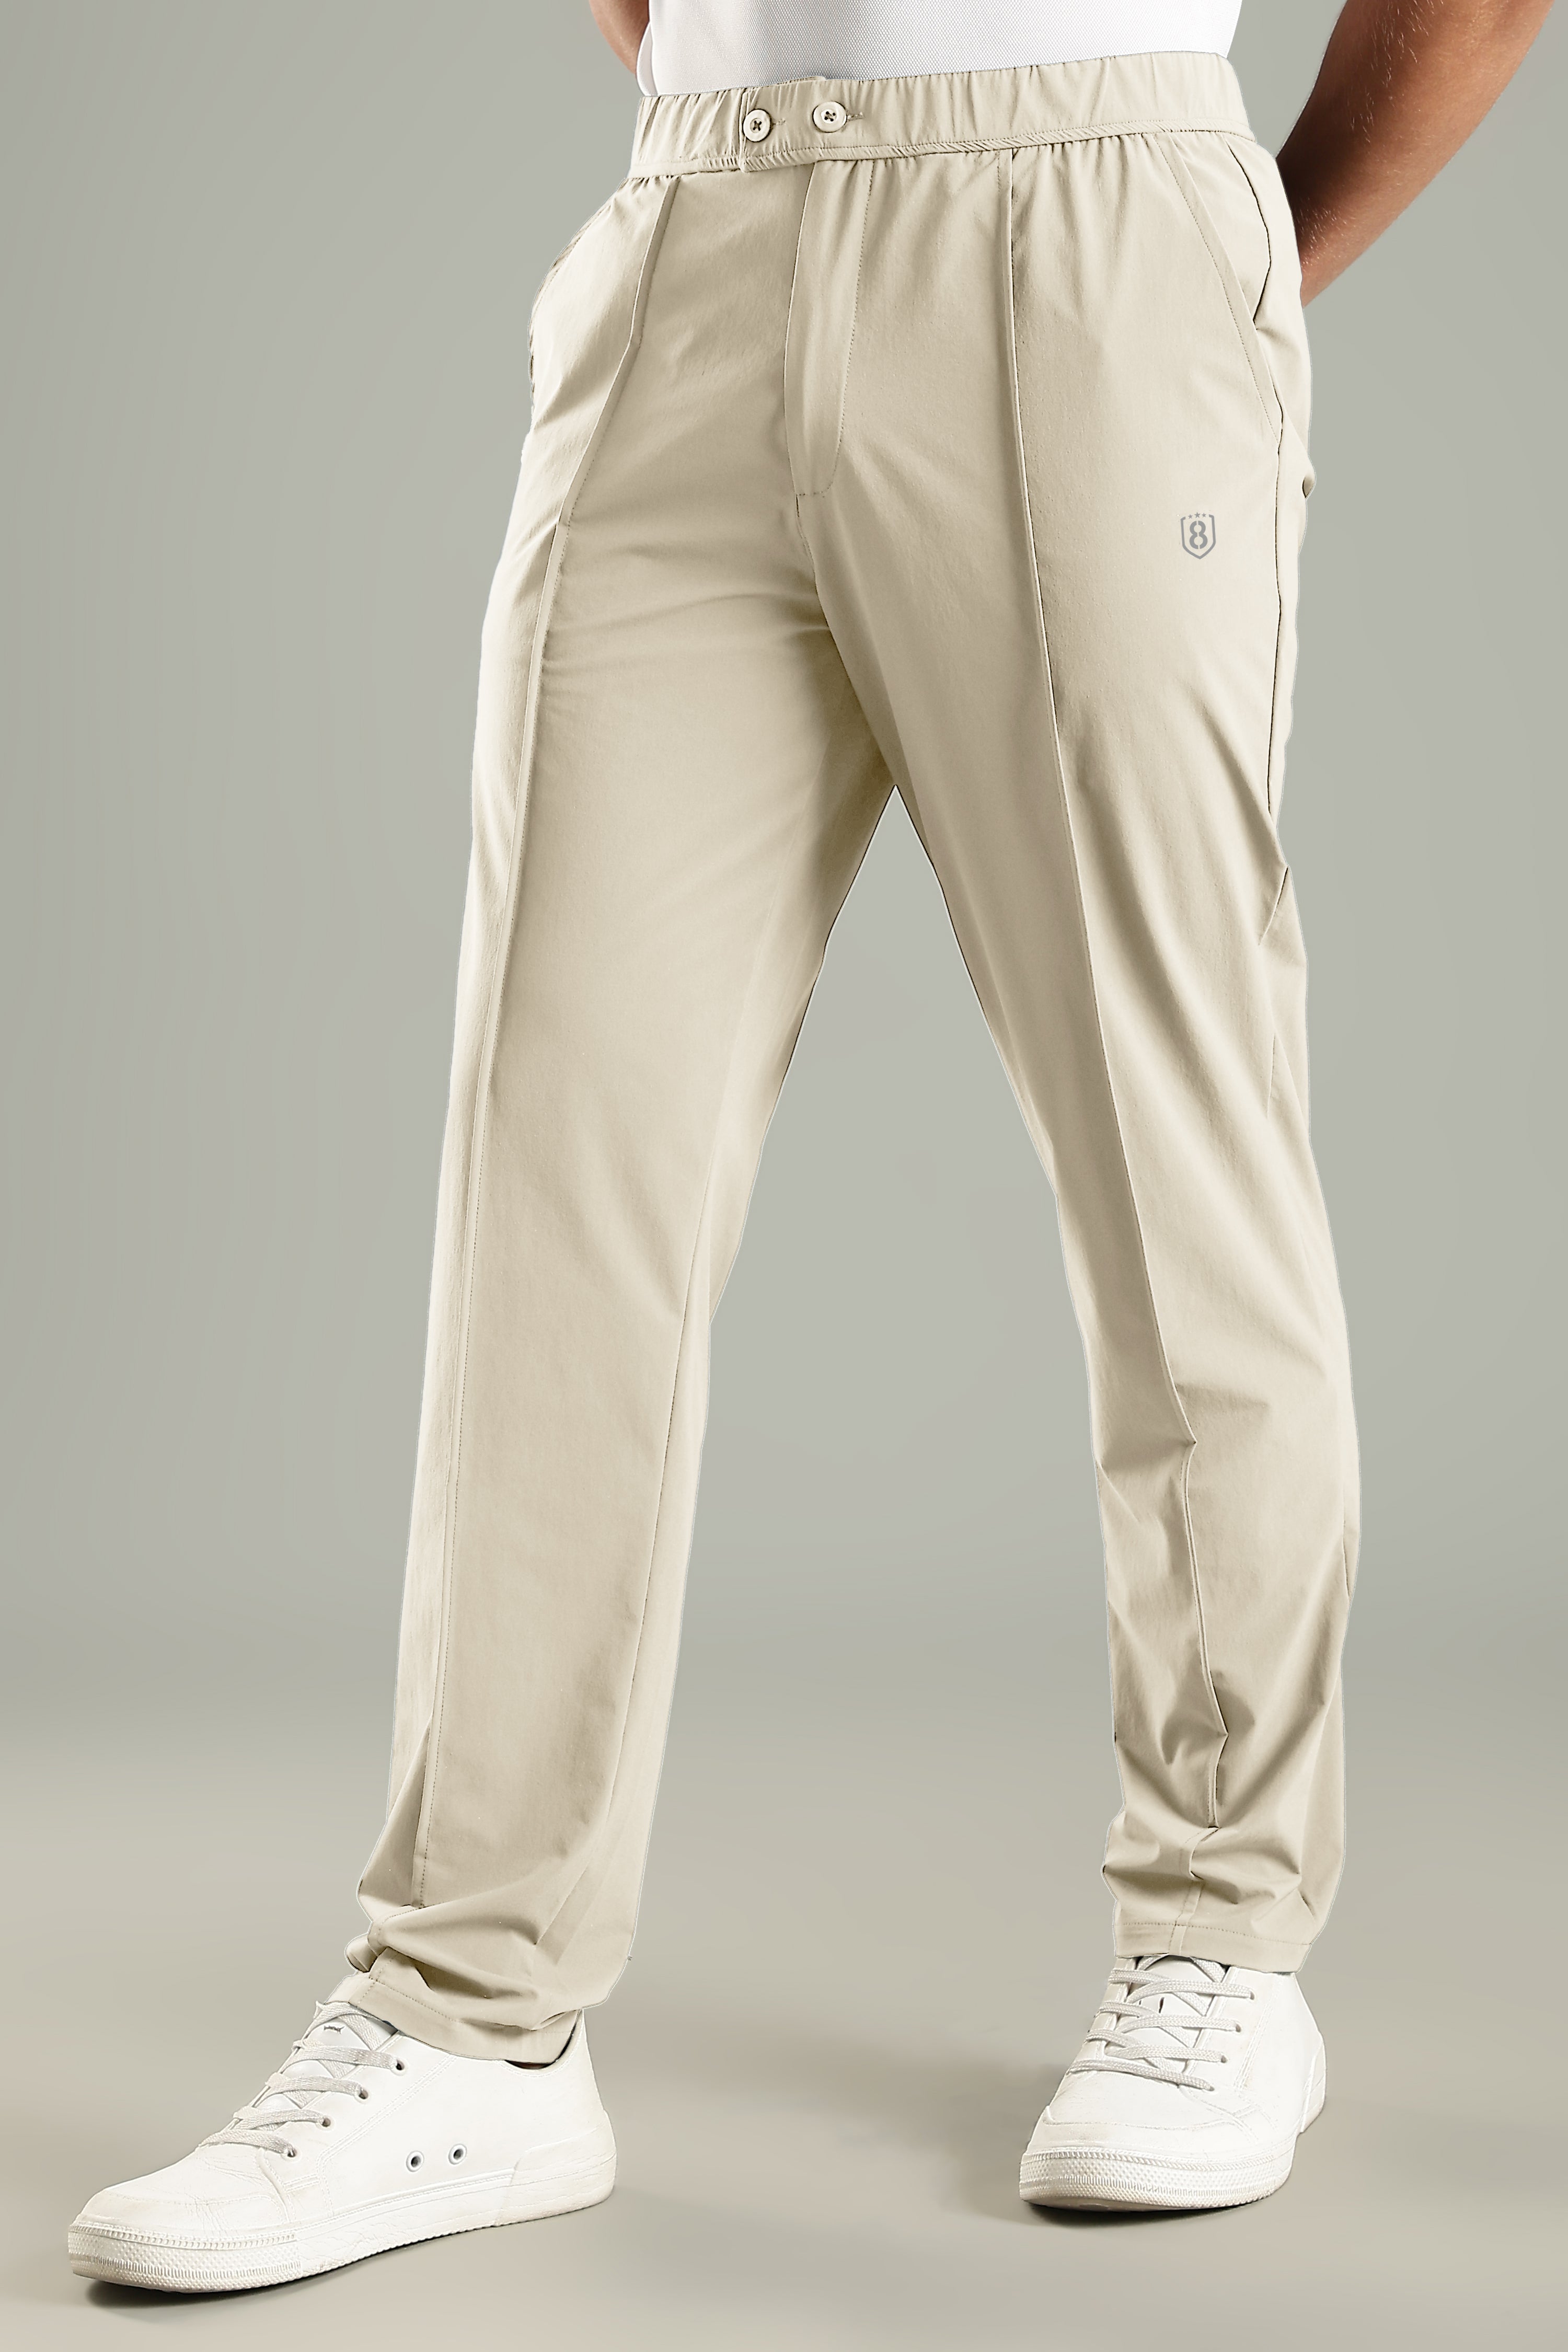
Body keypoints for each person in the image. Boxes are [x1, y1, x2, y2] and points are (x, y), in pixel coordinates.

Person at [69, 0, 1550, 2292]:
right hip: (700, 219)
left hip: (1093, 224)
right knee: (558, 1155)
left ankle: (1220, 1939)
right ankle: (470, 2013)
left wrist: (1235, 246)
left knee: (1169, 1129)